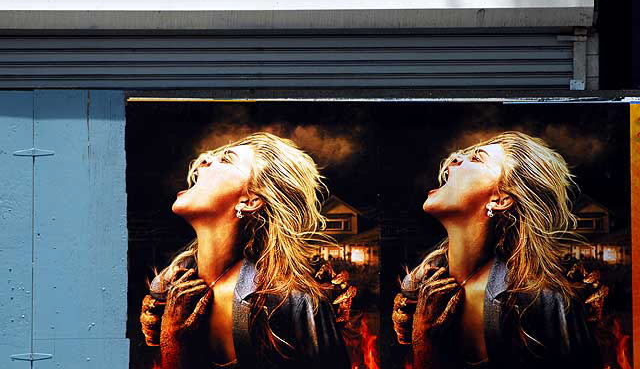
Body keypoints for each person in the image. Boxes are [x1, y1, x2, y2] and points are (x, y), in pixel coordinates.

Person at [140, 132, 350, 369]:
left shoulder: (297, 299)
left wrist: (173, 347)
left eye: (227, 159)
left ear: (249, 201)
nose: (202, 160)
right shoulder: (168, 290)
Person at [392, 131, 601, 369]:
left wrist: (424, 343)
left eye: (477, 158)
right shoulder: (417, 286)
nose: (454, 160)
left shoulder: (542, 297)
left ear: (500, 200)